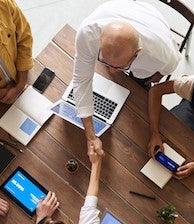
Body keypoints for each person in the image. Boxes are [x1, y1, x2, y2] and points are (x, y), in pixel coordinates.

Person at [73, 0, 181, 154]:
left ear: (137, 53)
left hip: (151, 21)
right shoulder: (87, 33)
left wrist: (158, 75)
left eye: (118, 67)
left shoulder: (160, 55)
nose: (111, 70)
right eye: (105, 61)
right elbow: (81, 80)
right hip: (118, 8)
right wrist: (91, 136)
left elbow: (171, 64)